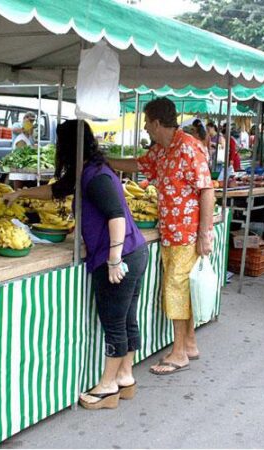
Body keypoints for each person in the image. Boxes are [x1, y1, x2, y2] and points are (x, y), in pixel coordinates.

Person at [3, 120, 149, 409]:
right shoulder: (88, 170)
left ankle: (107, 387)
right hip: (135, 250)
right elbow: (58, 189)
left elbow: (116, 216)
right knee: (127, 317)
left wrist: (113, 259)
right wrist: (20, 193)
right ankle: (124, 377)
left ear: (68, 146)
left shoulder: (95, 177)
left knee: (114, 321)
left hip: (119, 255)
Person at [107, 97, 214, 375]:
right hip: (170, 230)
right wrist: (105, 160)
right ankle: (189, 343)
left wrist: (205, 233)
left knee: (176, 289)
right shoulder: (162, 150)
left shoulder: (190, 148)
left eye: (146, 122)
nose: (144, 128)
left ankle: (179, 353)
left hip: (186, 233)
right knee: (181, 288)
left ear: (157, 122)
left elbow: (207, 190)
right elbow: (139, 165)